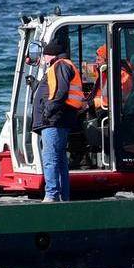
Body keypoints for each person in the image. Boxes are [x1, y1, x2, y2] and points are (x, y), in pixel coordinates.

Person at [29, 33, 86, 201]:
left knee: (51, 159)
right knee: (59, 160)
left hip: (54, 121)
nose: (43, 58)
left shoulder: (59, 65)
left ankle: (52, 194)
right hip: (58, 120)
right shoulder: (61, 65)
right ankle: (62, 196)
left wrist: (47, 112)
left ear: (50, 54)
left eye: (45, 54)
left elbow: (59, 93)